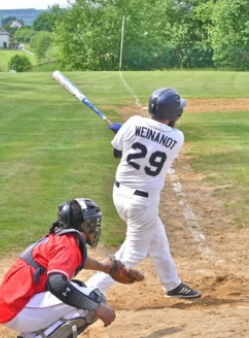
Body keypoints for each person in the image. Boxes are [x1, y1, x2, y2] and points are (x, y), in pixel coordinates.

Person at [86, 87, 201, 299]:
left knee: (157, 237)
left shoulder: (133, 123)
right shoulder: (177, 137)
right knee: (133, 254)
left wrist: (123, 133)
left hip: (120, 195)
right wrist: (127, 136)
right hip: (142, 204)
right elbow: (151, 144)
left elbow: (118, 151)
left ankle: (172, 284)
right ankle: (89, 291)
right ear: (174, 113)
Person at [0, 198, 119, 338]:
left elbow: (79, 261)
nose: (95, 227)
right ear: (82, 224)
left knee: (80, 288)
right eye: (92, 221)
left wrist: (104, 267)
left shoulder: (61, 239)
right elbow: (58, 285)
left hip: (14, 303)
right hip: (19, 308)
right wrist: (96, 307)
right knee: (92, 298)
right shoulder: (67, 245)